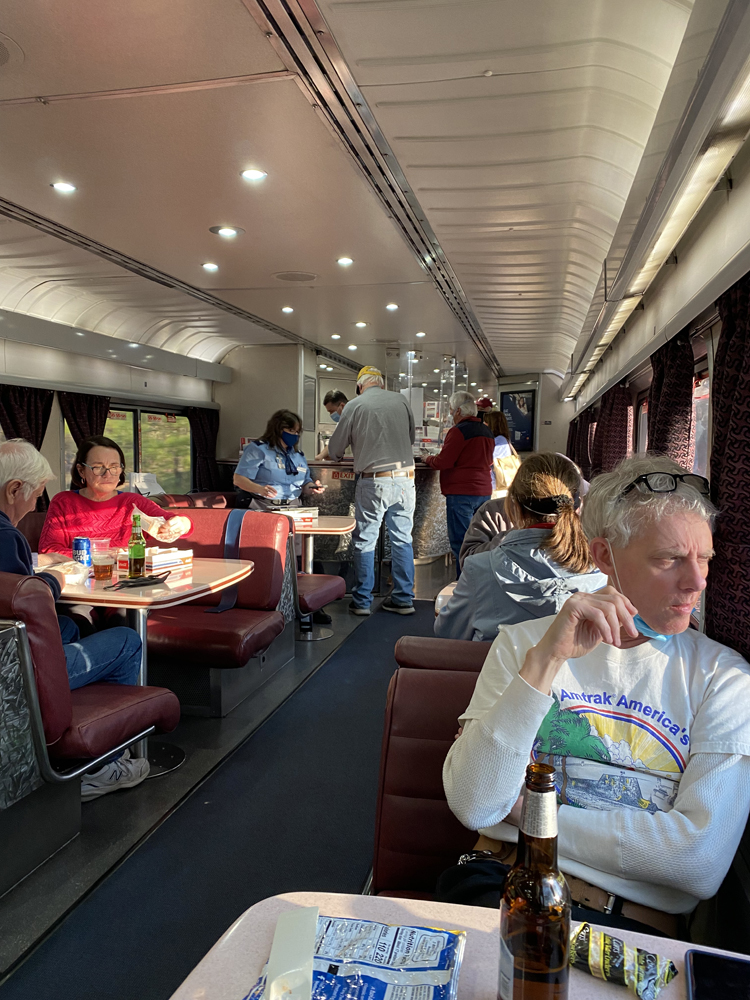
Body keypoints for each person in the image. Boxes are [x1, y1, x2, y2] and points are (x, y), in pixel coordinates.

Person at [443, 454, 750, 935]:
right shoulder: (526, 645)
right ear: (605, 556)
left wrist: (528, 812)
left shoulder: (724, 679)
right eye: (669, 559)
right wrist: (546, 661)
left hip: (628, 925)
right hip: (497, 887)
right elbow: (477, 803)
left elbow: (698, 862)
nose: (696, 582)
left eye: (705, 558)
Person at [0, 439, 149, 801]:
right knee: (126, 640)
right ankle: (102, 766)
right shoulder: (6, 538)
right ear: (14, 489)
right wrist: (54, 581)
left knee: (69, 626)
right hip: (15, 673)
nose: (36, 503)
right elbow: (23, 605)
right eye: (35, 494)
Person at [435, 453, 606, 641]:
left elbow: (447, 631)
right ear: (578, 504)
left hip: (503, 669)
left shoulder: (481, 568)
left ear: (514, 505)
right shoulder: (604, 566)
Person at [328, 366, 416, 615]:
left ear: (359, 386)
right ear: (381, 383)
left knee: (365, 540)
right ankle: (403, 599)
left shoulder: (355, 405)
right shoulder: (401, 400)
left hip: (373, 481)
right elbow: (409, 439)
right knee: (402, 540)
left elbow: (335, 450)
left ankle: (362, 601)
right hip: (404, 481)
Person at [39, 435, 191, 557]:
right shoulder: (64, 502)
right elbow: (48, 550)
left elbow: (175, 522)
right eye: (98, 468)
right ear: (81, 471)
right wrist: (105, 554)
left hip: (127, 581)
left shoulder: (132, 502)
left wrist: (182, 524)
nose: (107, 474)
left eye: (114, 467)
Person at [424, 391, 494, 577]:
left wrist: (427, 458)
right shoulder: (487, 430)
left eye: (450, 410)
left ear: (458, 411)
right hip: (484, 491)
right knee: (479, 541)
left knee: (461, 543)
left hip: (461, 493)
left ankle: (462, 585)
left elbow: (443, 462)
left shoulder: (458, 431)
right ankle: (477, 584)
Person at [234, 410, 325, 508]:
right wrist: (259, 489)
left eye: (297, 432)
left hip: (293, 506)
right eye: (291, 430)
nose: (294, 434)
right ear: (278, 429)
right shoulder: (258, 449)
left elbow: (304, 483)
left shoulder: (298, 455)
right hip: (262, 505)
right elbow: (239, 479)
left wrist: (312, 487)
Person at [315, 390, 349, 461]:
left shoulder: (356, 418)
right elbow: (334, 442)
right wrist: (321, 456)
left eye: (331, 411)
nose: (331, 415)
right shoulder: (341, 422)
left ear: (342, 406)